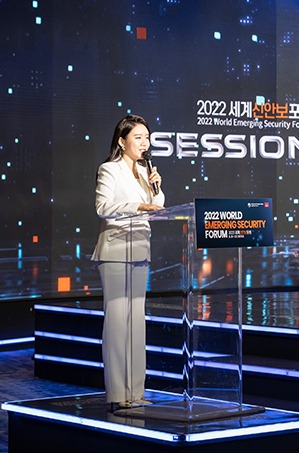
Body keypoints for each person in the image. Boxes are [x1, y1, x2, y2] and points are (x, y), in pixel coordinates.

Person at [91, 114, 164, 409]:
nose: (144, 143)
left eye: (147, 138)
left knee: (137, 324)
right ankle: (118, 394)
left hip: (140, 251)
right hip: (116, 251)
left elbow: (157, 208)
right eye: (138, 137)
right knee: (118, 323)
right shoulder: (109, 169)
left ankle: (136, 392)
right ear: (122, 142)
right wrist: (139, 205)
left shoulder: (146, 172)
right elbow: (103, 207)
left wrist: (156, 189)